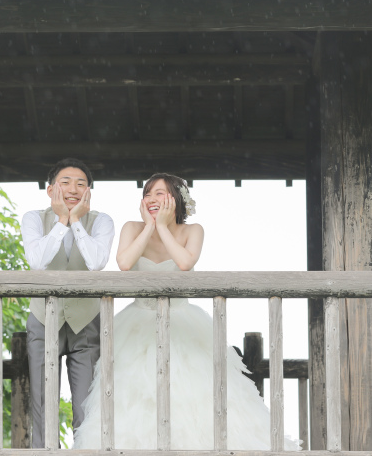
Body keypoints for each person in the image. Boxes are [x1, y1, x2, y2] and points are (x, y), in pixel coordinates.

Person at [73, 173, 298, 450]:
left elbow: (184, 264)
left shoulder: (194, 231)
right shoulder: (132, 227)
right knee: (133, 393)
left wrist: (164, 228)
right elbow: (124, 263)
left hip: (182, 321)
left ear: (177, 199)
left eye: (161, 194)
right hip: (137, 324)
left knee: (190, 393)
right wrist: (149, 227)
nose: (153, 199)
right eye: (149, 194)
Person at [21, 158, 115, 448]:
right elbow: (37, 261)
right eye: (65, 182)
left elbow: (97, 261)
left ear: (89, 191)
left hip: (86, 321)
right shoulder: (33, 218)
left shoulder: (101, 220)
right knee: (42, 403)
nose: (73, 189)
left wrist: (75, 220)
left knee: (86, 407)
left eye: (81, 183)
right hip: (43, 319)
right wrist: (61, 221)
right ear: (50, 190)